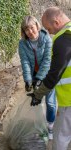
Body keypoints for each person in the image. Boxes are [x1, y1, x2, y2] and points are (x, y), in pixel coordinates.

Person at [29, 7, 71, 150]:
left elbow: (55, 73)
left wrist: (38, 94)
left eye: (49, 28)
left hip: (69, 101)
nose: (49, 32)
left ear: (56, 21)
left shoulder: (63, 38)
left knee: (60, 140)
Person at [18, 15, 57, 140]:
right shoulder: (22, 43)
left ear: (37, 26)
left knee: (50, 103)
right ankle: (40, 127)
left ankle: (50, 126)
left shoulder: (47, 39)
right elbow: (25, 62)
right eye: (26, 29)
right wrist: (29, 80)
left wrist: (40, 79)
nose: (30, 31)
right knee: (37, 102)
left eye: (31, 27)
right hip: (34, 75)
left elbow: (47, 60)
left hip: (48, 74)